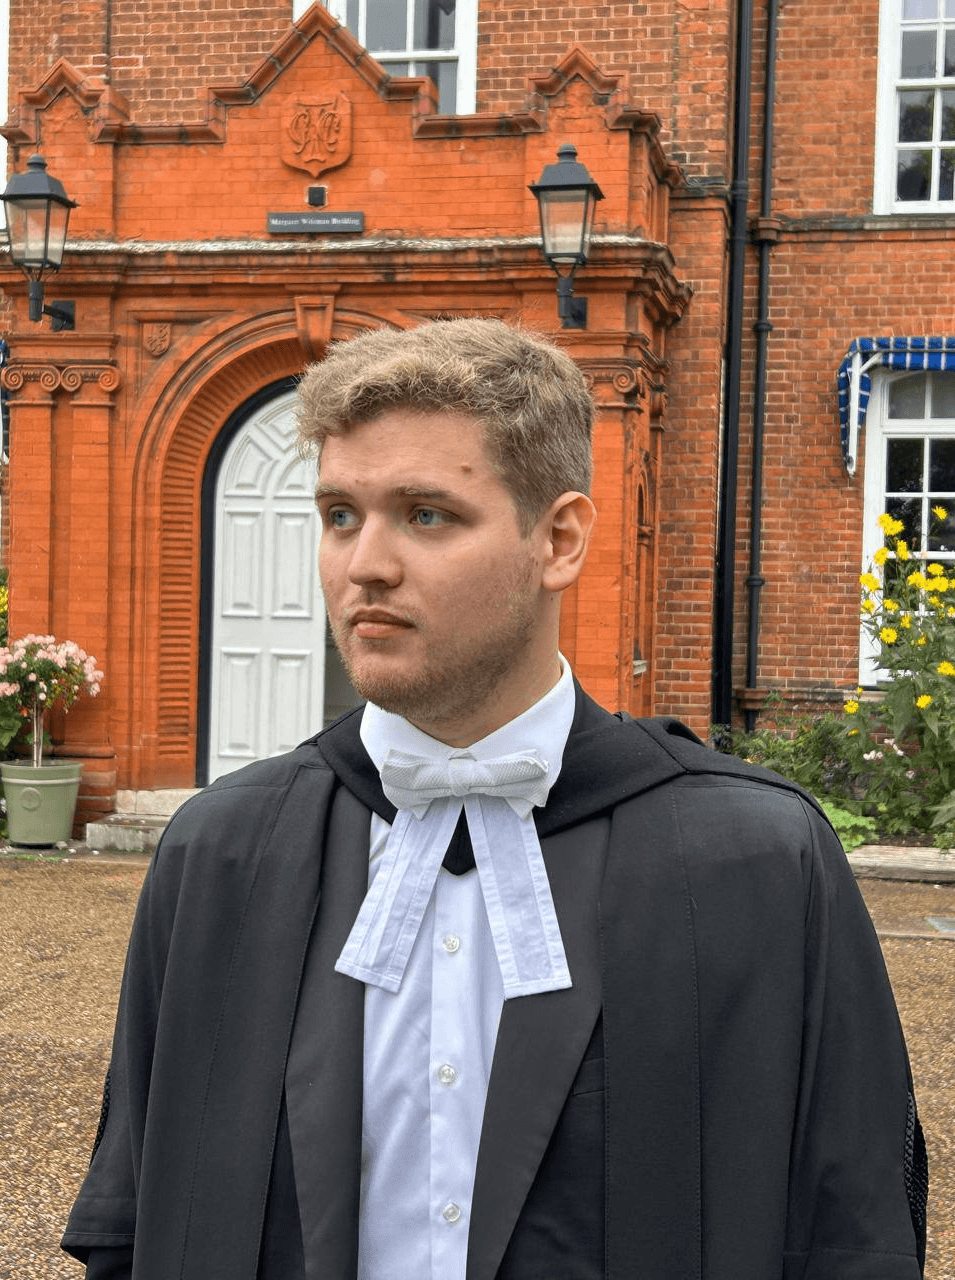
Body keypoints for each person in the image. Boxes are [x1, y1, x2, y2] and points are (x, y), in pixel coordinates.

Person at [63, 318, 928, 1280]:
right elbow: (131, 1216)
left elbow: (854, 1231)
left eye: (426, 515)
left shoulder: (756, 859)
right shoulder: (221, 851)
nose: (364, 565)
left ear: (558, 540)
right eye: (341, 514)